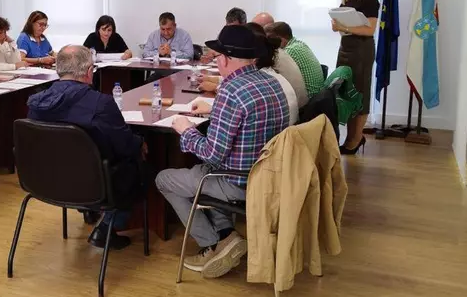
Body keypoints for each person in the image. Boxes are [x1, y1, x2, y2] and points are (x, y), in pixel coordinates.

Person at [156, 25, 289, 279]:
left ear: (225, 59)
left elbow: (212, 154)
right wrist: (214, 110)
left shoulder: (231, 90)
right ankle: (228, 236)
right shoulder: (271, 82)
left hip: (238, 182)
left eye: (217, 56)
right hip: (268, 176)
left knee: (164, 179)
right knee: (203, 173)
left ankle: (211, 244)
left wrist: (185, 130)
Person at [27, 45, 148, 250]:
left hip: (45, 182)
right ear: (90, 71)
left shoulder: (35, 104)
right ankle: (108, 226)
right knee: (141, 167)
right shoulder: (100, 104)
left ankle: (90, 210)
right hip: (94, 184)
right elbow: (125, 146)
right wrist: (140, 142)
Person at [331, 0, 379, 155]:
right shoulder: (347, 0)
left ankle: (356, 138)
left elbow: (370, 30)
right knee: (346, 91)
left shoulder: (370, 0)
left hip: (362, 51)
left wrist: (345, 28)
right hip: (346, 48)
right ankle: (351, 137)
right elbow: (344, 28)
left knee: (360, 92)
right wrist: (337, 26)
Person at [265, 21, 325, 98]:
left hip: (310, 98)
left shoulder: (289, 51)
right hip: (318, 95)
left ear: (281, 40)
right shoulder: (300, 44)